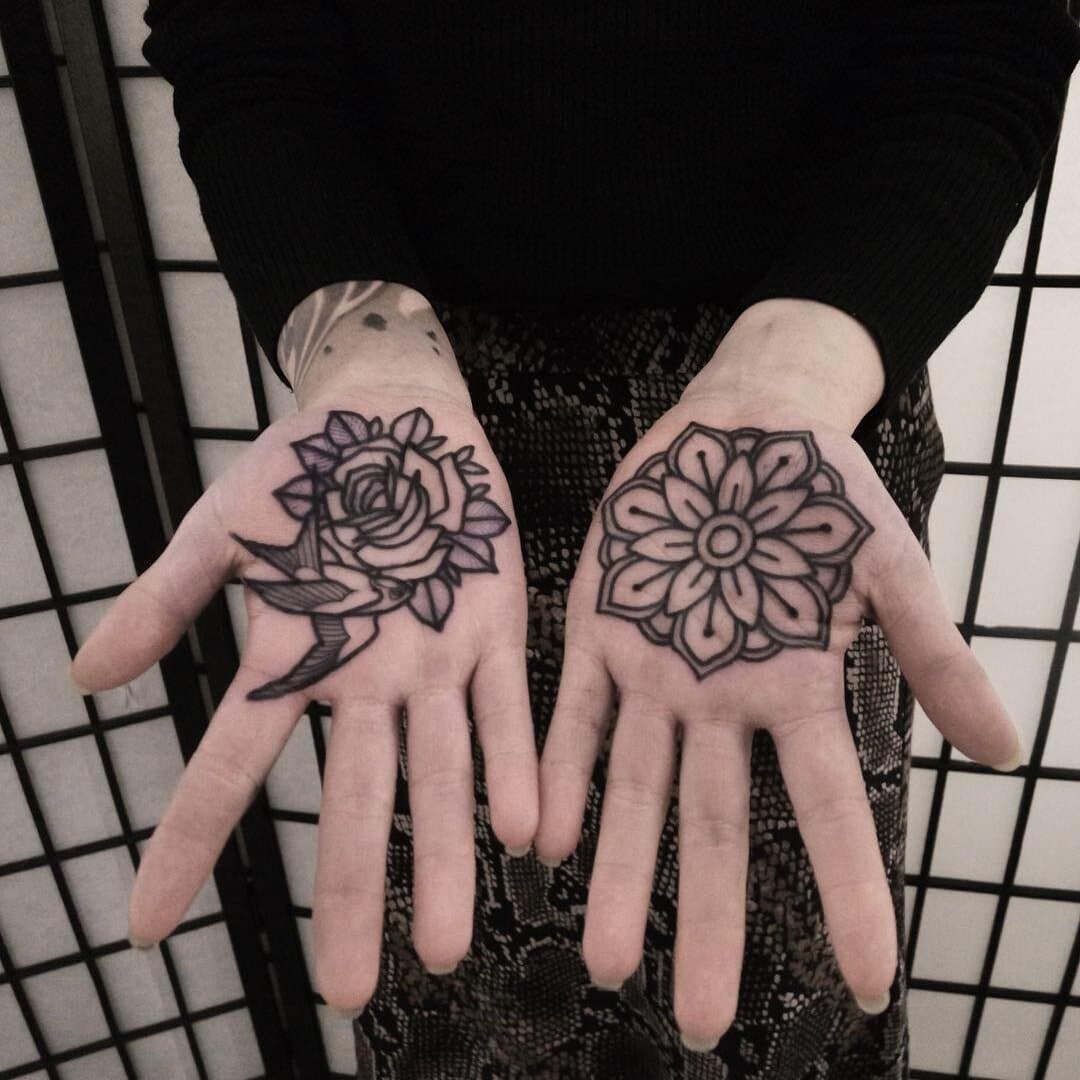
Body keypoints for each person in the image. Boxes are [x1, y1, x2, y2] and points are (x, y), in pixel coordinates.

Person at [71, 2, 1080, 1077]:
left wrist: (800, 372)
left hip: (791, 455)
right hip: (445, 451)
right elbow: (249, 45)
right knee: (459, 940)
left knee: (776, 949)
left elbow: (981, 42)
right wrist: (362, 363)